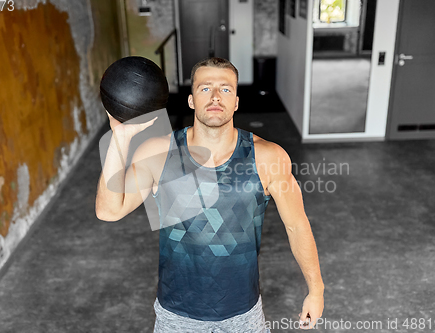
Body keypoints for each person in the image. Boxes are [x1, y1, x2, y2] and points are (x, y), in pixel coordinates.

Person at [95, 57, 324, 332]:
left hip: (243, 315)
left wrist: (316, 290)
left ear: (237, 101)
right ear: (191, 100)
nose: (216, 96)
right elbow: (108, 211)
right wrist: (119, 138)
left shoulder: (269, 157)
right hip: (176, 316)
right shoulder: (159, 153)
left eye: (225, 89)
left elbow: (296, 225)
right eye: (205, 88)